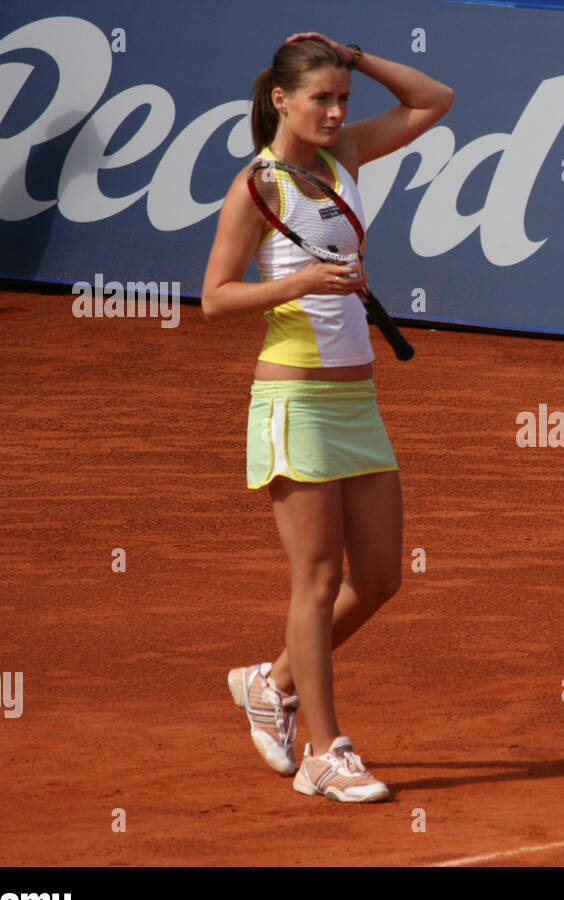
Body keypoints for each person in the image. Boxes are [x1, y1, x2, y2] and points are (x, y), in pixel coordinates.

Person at [201, 33, 452, 802]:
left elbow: (432, 101)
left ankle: (270, 683)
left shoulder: (344, 157)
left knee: (379, 579)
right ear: (281, 101)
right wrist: (302, 282)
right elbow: (215, 297)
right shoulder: (258, 187)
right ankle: (324, 751)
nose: (337, 112)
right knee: (317, 579)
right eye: (322, 99)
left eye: (343, 99)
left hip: (357, 401)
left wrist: (357, 55)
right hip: (295, 402)